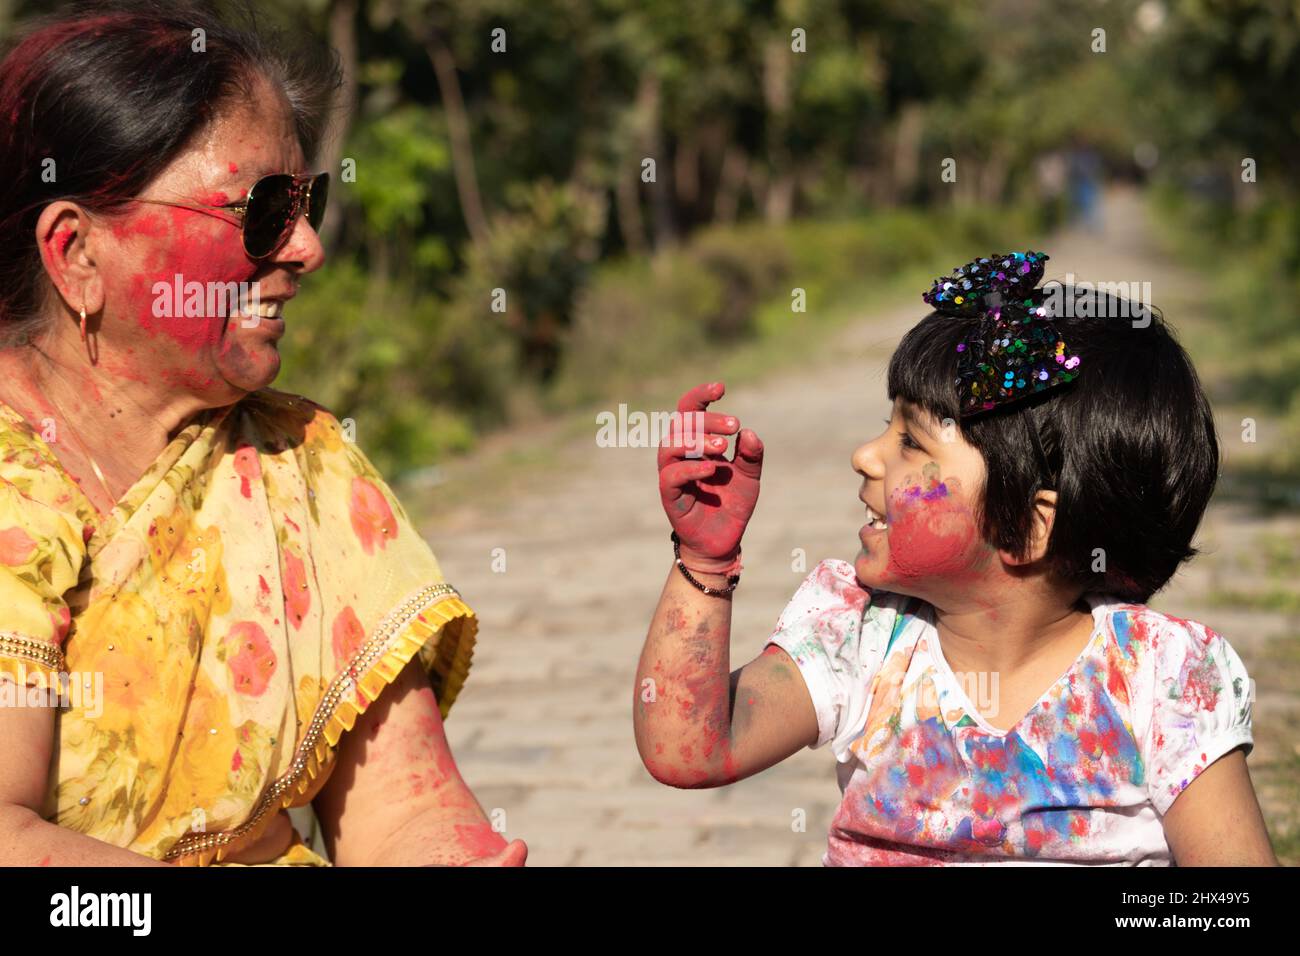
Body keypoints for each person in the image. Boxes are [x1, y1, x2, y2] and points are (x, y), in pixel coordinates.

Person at [0, 1, 524, 867]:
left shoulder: (300, 464)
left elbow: (400, 812)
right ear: (77, 254)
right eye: (264, 208)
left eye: (306, 201)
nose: (308, 248)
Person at [636, 250, 1279, 865]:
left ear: (1028, 527)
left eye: (911, 441)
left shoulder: (1161, 681)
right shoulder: (862, 634)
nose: (866, 454)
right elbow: (689, 751)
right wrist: (704, 560)